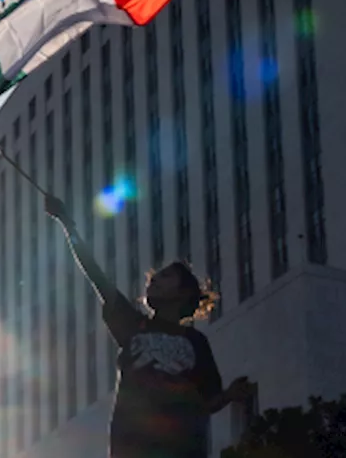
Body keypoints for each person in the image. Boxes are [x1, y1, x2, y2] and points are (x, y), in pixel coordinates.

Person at [45, 195, 252, 458]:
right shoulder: (133, 325)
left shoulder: (196, 342)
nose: (153, 280)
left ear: (183, 294)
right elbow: (95, 274)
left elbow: (208, 400)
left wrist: (230, 394)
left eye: (164, 277)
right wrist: (67, 224)